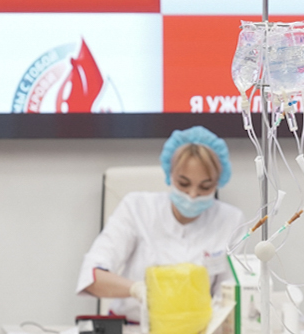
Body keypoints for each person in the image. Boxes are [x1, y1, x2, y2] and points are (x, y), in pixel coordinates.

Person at [76, 126, 244, 323]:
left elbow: (230, 294)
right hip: (134, 328)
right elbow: (92, 277)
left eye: (205, 187)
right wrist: (137, 289)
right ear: (169, 174)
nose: (192, 195)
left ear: (218, 182)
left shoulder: (230, 220)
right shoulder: (137, 208)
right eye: (183, 184)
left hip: (196, 331)